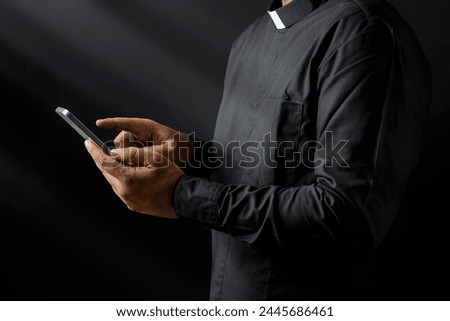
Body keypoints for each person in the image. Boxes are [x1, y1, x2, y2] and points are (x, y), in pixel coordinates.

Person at [85, 0, 431, 300]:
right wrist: (191, 156)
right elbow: (278, 168)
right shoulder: (249, 39)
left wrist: (181, 196)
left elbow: (346, 215)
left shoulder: (362, 32)